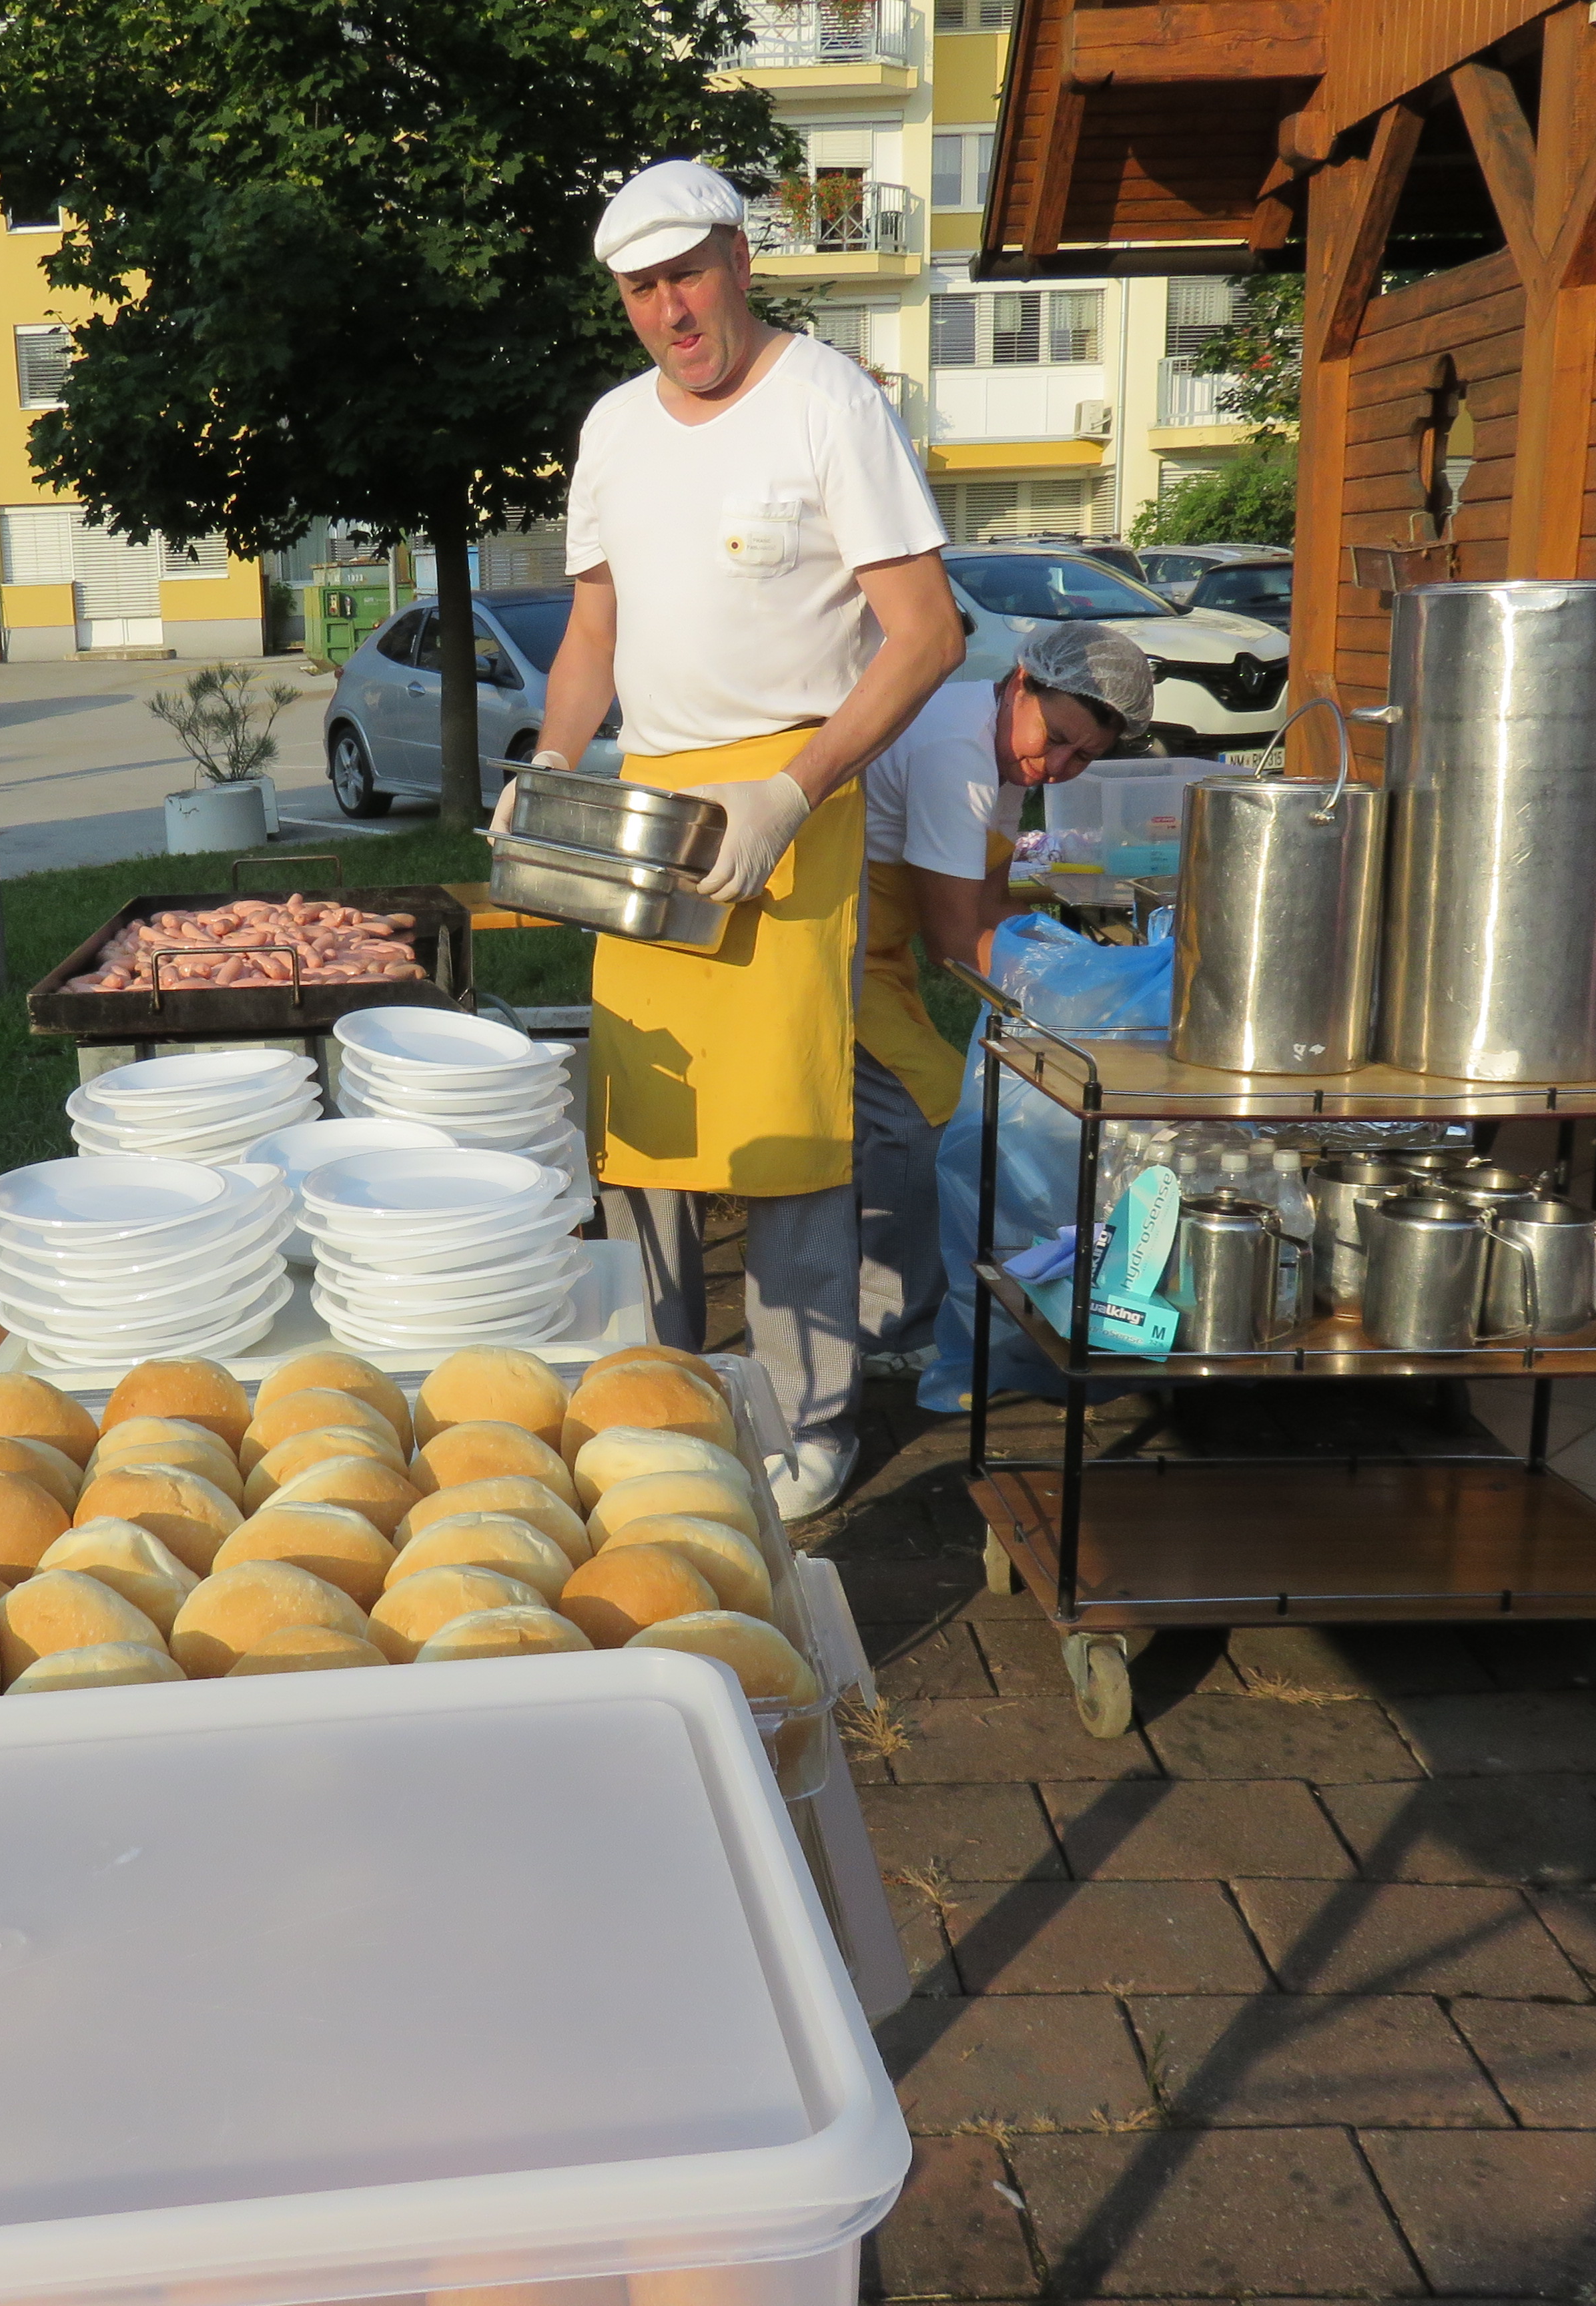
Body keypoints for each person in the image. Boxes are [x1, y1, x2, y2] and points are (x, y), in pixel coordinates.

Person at [521, 157, 962, 1521]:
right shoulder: (612, 429)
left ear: (738, 263)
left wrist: (794, 788)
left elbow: (926, 634)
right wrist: (552, 762)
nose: (670, 311)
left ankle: (805, 1416)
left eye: (687, 277)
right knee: (643, 1128)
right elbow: (594, 628)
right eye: (640, 290)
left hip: (794, 799)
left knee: (790, 1132)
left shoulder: (827, 401)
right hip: (650, 808)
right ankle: (662, 1390)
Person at [853, 625, 1160, 1368]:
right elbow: (956, 944)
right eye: (1054, 738)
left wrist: (1077, 966)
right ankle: (886, 1332)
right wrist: (1082, 996)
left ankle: (902, 1310)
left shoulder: (1006, 752)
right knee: (927, 1117)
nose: (1056, 767)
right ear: (1022, 681)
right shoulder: (954, 750)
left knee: (930, 1111)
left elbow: (988, 903)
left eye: (1082, 758)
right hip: (835, 953)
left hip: (879, 953)